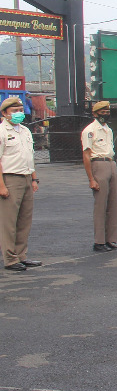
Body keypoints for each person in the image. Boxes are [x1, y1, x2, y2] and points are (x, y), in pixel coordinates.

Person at [0, 97, 40, 271]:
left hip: (25, 177)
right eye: (14, 111)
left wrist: (34, 178)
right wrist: (1, 186)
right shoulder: (2, 131)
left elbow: (29, 156)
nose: (18, 113)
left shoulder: (25, 131)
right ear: (4, 113)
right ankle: (10, 259)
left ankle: (21, 255)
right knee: (9, 222)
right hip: (10, 178)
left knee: (24, 220)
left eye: (20, 110)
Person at [82, 100, 117, 253]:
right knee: (100, 205)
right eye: (102, 112)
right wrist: (91, 178)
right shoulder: (89, 130)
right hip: (98, 164)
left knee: (112, 204)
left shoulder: (108, 130)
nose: (106, 114)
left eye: (107, 112)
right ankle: (99, 241)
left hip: (110, 163)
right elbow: (86, 155)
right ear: (95, 114)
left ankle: (111, 239)